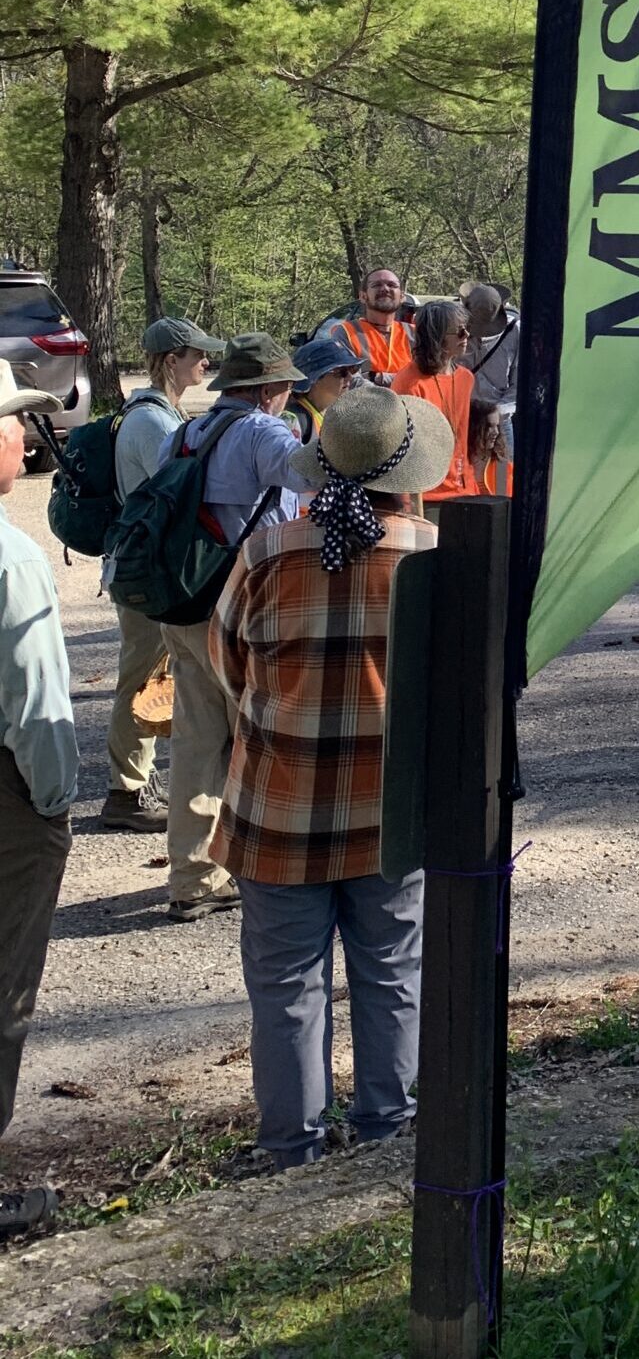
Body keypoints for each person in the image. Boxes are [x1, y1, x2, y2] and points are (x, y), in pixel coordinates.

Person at [209, 382, 451, 1169]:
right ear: (406, 474)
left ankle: (290, 1149)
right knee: (392, 972)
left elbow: (229, 668)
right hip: (394, 814)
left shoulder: (267, 555)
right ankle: (389, 1132)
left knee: (285, 987)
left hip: (278, 811)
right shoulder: (432, 559)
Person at [168, 332, 309, 922]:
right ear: (272, 388)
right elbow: (316, 480)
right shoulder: (265, 431)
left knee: (197, 740)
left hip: (182, 600)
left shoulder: (186, 431)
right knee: (258, 738)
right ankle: (261, 865)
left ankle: (193, 876)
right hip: (243, 606)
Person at [0, 360, 73, 1237]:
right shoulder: (12, 558)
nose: (23, 434)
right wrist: (53, 802)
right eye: (15, 420)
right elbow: (36, 704)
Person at [100, 317, 222, 832]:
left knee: (152, 671)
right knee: (141, 675)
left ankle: (133, 781)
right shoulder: (153, 423)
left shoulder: (156, 413)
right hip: (150, 575)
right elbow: (176, 495)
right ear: (171, 360)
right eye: (197, 355)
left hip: (148, 570)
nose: (205, 363)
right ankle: (125, 792)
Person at [392, 302, 479, 502]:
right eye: (459, 332)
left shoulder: (466, 378)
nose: (466, 336)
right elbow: (403, 450)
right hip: (427, 496)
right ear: (436, 336)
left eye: (467, 329)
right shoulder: (409, 382)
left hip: (465, 489)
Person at [462, 283, 519, 495]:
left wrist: (496, 412)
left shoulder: (515, 332)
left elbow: (519, 386)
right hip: (462, 421)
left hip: (499, 424)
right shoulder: (454, 331)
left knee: (502, 486)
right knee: (466, 484)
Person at [328, 268, 413, 385]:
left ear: (402, 296)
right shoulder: (346, 332)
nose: (385, 289)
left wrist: (375, 376)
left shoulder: (415, 333)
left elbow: (428, 377)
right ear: (363, 296)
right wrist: (403, 380)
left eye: (392, 285)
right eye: (376, 285)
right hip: (367, 402)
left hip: (415, 402)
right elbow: (350, 381)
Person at [285, 335, 362, 446]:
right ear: (314, 378)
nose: (350, 377)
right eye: (341, 372)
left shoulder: (335, 411)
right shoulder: (294, 420)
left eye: (352, 369)